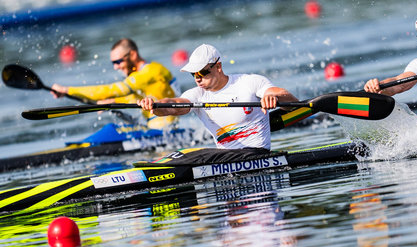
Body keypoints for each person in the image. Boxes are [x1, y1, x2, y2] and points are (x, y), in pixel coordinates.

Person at [137, 44, 298, 150]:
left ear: (218, 66)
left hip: (256, 155)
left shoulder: (248, 82)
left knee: (198, 155)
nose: (198, 78)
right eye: (194, 74)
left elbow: (286, 99)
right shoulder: (197, 94)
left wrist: (272, 97)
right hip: (226, 160)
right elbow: (175, 105)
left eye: (202, 72)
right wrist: (155, 106)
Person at [51, 38, 178, 128]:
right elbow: (141, 97)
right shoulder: (143, 75)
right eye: (113, 63)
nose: (116, 67)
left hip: (165, 128)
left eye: (118, 62)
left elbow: (110, 90)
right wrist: (113, 102)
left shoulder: (150, 72)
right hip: (156, 127)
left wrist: (67, 90)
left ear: (133, 55)